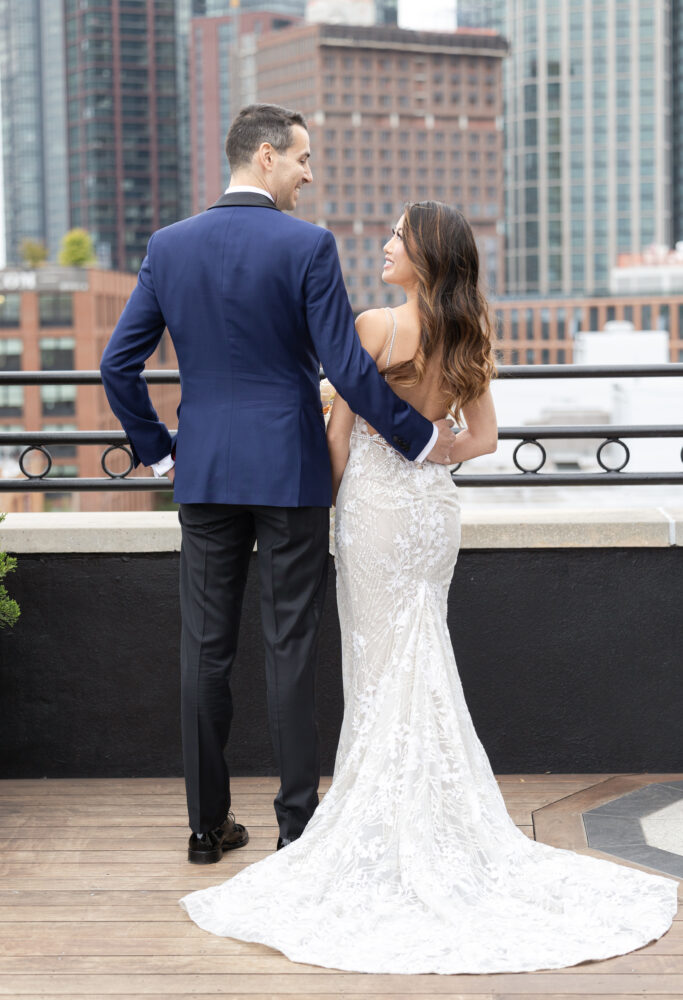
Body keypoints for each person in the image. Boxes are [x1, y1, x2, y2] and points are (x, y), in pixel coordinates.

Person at [179, 202, 677, 973]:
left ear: (424, 258)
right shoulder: (469, 334)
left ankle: (377, 810)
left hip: (375, 513)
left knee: (377, 665)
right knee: (420, 649)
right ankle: (436, 816)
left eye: (396, 238)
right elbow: (480, 439)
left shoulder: (375, 327)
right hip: (430, 515)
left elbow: (339, 441)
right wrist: (426, 456)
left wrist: (324, 505)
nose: (383, 246)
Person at [99, 104, 456, 865]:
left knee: (204, 649)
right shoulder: (306, 245)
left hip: (203, 472)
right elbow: (348, 368)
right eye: (300, 157)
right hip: (290, 471)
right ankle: (296, 825)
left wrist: (161, 454)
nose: (308, 171)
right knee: (289, 646)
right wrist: (419, 436)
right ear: (265, 156)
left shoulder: (168, 246)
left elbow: (115, 365)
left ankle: (205, 828)